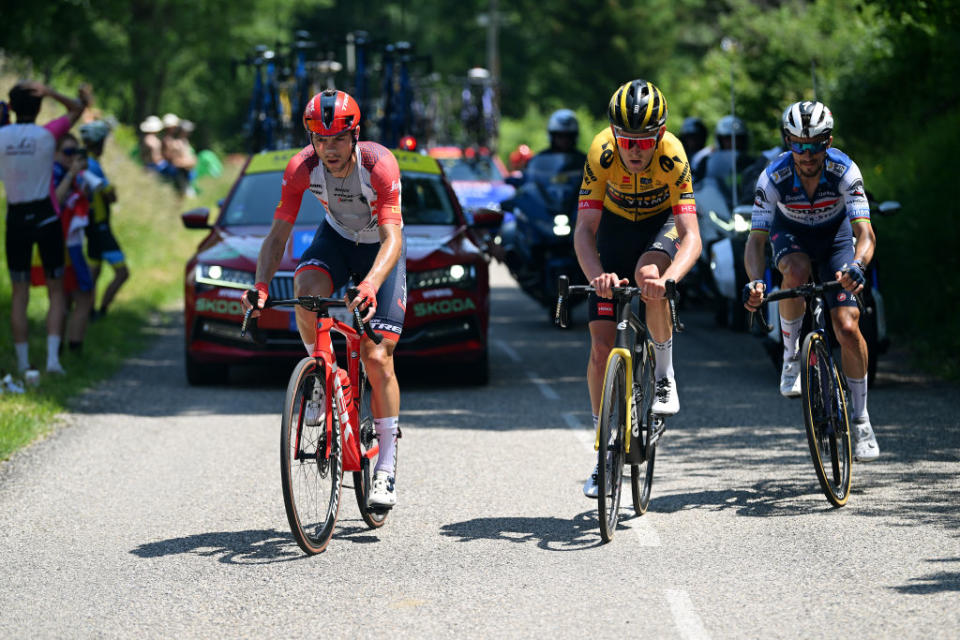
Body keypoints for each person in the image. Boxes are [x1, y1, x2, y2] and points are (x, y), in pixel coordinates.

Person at [241, 89, 406, 508]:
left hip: (378, 248)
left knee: (377, 355)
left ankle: (385, 465)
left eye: (337, 139)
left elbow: (393, 237)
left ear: (354, 135)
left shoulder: (379, 165)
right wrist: (260, 285)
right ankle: (319, 376)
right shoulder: (301, 168)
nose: (328, 149)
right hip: (335, 238)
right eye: (319, 139)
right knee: (306, 291)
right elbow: (278, 235)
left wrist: (369, 284)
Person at [574, 79, 702, 497]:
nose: (634, 150)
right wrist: (597, 277)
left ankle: (664, 375)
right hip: (614, 230)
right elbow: (585, 231)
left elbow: (691, 235)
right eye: (626, 140)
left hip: (659, 227)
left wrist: (669, 280)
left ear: (659, 135)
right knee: (599, 347)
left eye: (644, 141)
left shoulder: (673, 156)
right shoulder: (601, 152)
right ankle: (603, 449)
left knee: (649, 277)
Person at [742, 100, 879, 462]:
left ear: (828, 141)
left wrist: (858, 265)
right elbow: (755, 241)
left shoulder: (845, 170)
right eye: (798, 145)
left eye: (815, 144)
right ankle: (790, 359)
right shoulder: (773, 177)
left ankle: (862, 419)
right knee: (796, 274)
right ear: (787, 142)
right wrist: (756, 281)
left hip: (835, 239)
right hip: (793, 237)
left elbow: (865, 234)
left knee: (848, 327)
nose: (807, 154)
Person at [0, 81, 89, 374]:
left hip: (16, 217)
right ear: (38, 108)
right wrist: (51, 91)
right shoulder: (48, 134)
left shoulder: (2, 136)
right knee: (56, 291)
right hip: (46, 217)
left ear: (11, 107)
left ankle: (25, 364)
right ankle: (53, 360)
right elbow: (77, 109)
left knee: (20, 293)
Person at [79, 120, 128, 321]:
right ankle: (101, 312)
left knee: (95, 270)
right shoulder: (92, 164)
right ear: (99, 143)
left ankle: (87, 311)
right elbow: (111, 196)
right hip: (100, 226)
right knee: (122, 272)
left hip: (91, 226)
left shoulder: (83, 161)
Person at [52, 133, 94, 351]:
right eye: (67, 152)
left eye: (75, 152)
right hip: (65, 244)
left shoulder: (67, 174)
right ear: (56, 153)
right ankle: (73, 349)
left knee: (65, 298)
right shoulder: (56, 172)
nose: (72, 157)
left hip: (70, 242)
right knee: (84, 296)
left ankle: (59, 349)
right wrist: (71, 174)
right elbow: (55, 201)